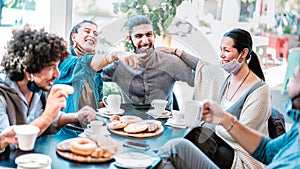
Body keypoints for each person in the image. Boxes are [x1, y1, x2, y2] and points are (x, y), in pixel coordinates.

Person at [158, 28, 271, 168]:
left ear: (244, 52)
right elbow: (202, 67)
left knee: (194, 139)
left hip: (241, 156)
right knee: (186, 143)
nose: (222, 55)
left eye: (227, 50)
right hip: (216, 145)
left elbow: (244, 134)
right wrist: (176, 52)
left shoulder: (259, 91)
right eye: (221, 50)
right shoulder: (227, 77)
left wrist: (216, 121)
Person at [157, 65, 300, 169]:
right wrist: (223, 119)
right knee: (177, 147)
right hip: (224, 140)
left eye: (294, 78)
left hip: (237, 154)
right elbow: (266, 150)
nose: (288, 84)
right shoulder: (296, 133)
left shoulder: (259, 90)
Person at [0, 26, 95, 152]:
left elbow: (47, 120)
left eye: (57, 66)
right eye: (50, 68)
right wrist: (48, 116)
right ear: (28, 69)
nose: (57, 74)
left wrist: (76, 116)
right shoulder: (2, 95)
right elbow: (6, 143)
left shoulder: (39, 88)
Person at [102, 15, 195, 110]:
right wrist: (115, 54)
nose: (145, 41)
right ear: (129, 39)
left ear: (154, 35)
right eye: (138, 36)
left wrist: (179, 52)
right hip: (131, 121)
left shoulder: (170, 61)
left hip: (165, 122)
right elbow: (91, 75)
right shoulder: (119, 65)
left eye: (148, 34)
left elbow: (200, 78)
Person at [55, 20, 138, 113]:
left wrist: (108, 107)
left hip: (91, 123)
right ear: (74, 36)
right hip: (68, 125)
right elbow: (85, 63)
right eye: (87, 31)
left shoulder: (97, 69)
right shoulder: (65, 60)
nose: (92, 35)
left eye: (95, 34)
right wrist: (115, 54)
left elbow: (98, 102)